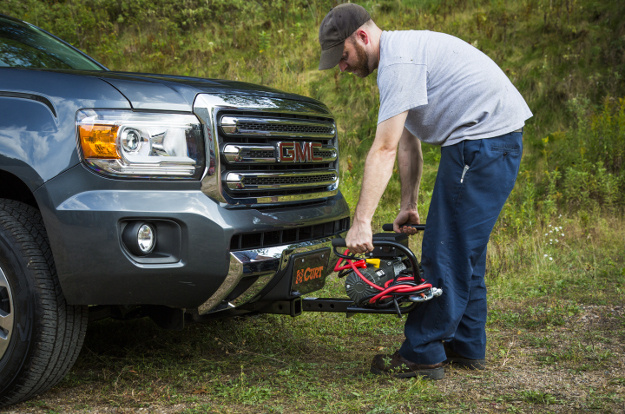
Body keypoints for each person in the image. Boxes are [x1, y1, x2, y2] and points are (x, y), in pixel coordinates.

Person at [318, 4, 532, 380]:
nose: (343, 66)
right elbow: (406, 144)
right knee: (464, 250)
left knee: (445, 249)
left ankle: (422, 353)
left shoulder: (399, 66)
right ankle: (465, 346)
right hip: (490, 141)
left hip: (481, 143)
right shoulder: (402, 56)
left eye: (344, 55)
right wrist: (408, 204)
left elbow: (382, 149)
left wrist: (362, 223)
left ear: (363, 37)